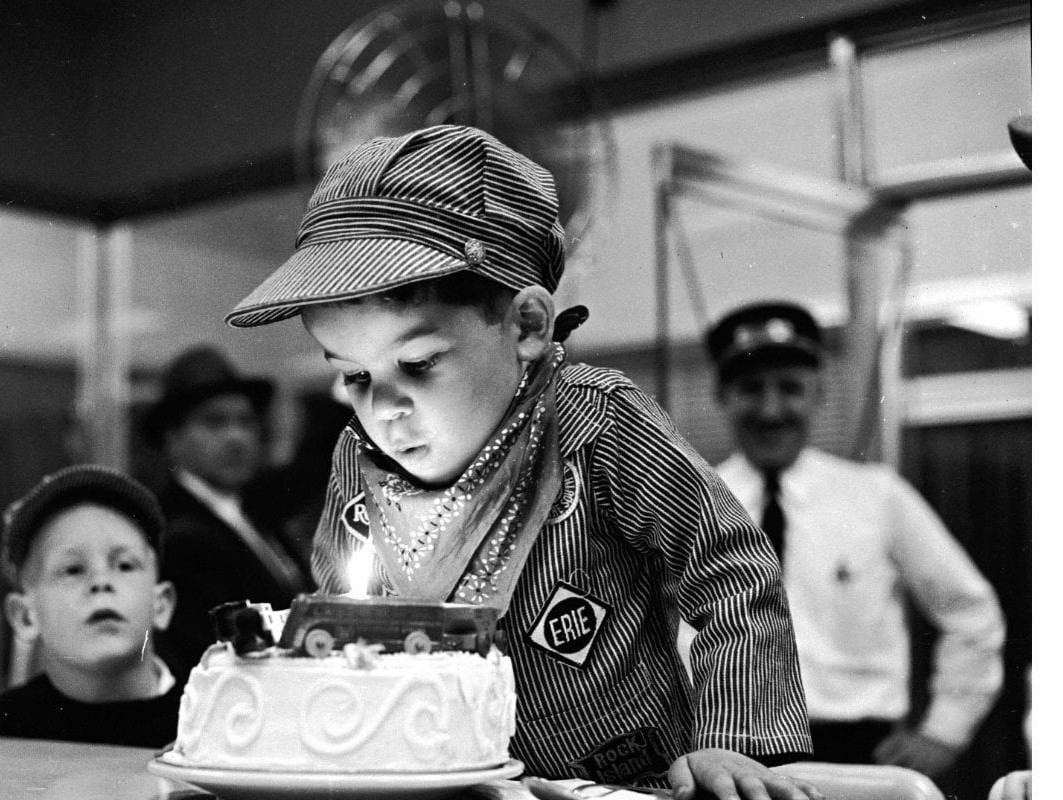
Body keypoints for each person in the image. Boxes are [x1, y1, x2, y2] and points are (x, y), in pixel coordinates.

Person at [224, 124, 820, 800]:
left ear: (528, 326)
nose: (384, 408)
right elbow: (346, 622)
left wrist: (733, 743)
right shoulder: (355, 462)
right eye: (354, 377)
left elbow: (730, 571)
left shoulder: (597, 422)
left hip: (630, 784)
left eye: (417, 365)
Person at [705, 301, 1006, 779]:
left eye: (790, 388)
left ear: (819, 394)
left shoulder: (876, 496)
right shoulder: (692, 502)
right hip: (732, 759)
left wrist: (943, 733)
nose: (771, 410)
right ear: (721, 396)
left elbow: (971, 612)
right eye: (749, 389)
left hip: (859, 757)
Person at [0, 465, 181, 747]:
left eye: (125, 565)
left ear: (161, 605)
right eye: (73, 570)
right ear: (25, 617)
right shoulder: (2, 729)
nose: (101, 582)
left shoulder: (207, 722)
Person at [143, 345, 310, 682]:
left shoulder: (255, 514)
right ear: (173, 439)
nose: (236, 438)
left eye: (245, 422)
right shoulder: (175, 531)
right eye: (214, 422)